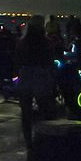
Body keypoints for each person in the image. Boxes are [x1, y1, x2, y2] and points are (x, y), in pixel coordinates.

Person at [15, 16, 56, 148]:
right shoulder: (47, 43)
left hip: (26, 74)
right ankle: (44, 138)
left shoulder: (22, 42)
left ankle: (28, 141)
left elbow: (18, 59)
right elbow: (50, 60)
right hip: (41, 75)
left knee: (26, 112)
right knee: (44, 109)